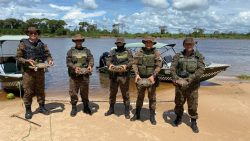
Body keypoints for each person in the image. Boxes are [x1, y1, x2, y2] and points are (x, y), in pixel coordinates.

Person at [16, 27, 54, 119]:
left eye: (35, 33)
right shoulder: (23, 44)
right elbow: (18, 57)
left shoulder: (42, 44)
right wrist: (27, 60)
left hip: (40, 71)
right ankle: (28, 110)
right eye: (31, 33)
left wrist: (50, 61)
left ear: (37, 34)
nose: (33, 34)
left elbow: (48, 55)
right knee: (28, 91)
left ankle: (41, 107)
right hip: (28, 72)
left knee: (41, 90)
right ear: (28, 34)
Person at [170, 37, 205, 133]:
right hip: (180, 84)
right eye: (187, 44)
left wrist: (191, 78)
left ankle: (193, 121)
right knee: (179, 103)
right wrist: (175, 78)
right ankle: (178, 117)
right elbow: (172, 68)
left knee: (193, 105)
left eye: (190, 44)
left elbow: (201, 69)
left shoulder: (198, 56)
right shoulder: (178, 55)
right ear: (184, 45)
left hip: (192, 85)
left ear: (193, 45)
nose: (189, 46)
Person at [131, 37, 162, 125]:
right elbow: (134, 63)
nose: (148, 44)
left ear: (153, 43)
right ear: (144, 43)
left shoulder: (156, 52)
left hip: (151, 79)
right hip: (140, 78)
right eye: (147, 42)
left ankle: (152, 116)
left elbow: (159, 65)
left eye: (150, 42)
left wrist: (153, 76)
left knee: (152, 98)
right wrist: (136, 74)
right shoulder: (139, 51)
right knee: (140, 97)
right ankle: (137, 114)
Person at [104, 38, 133, 119]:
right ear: (116, 44)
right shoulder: (113, 51)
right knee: (112, 93)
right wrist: (110, 65)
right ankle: (111, 109)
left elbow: (132, 61)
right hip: (114, 76)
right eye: (117, 43)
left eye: (120, 43)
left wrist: (126, 66)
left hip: (124, 76)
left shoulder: (128, 51)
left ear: (123, 44)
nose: (119, 44)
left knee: (125, 94)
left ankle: (126, 111)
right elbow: (108, 61)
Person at [66, 34, 94, 117]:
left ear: (82, 41)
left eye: (80, 40)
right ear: (74, 41)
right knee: (73, 92)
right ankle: (74, 107)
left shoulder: (87, 50)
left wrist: (90, 65)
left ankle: (86, 106)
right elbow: (68, 62)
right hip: (74, 76)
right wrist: (74, 67)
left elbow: (91, 59)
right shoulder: (70, 51)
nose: (78, 42)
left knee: (84, 92)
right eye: (77, 40)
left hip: (85, 75)